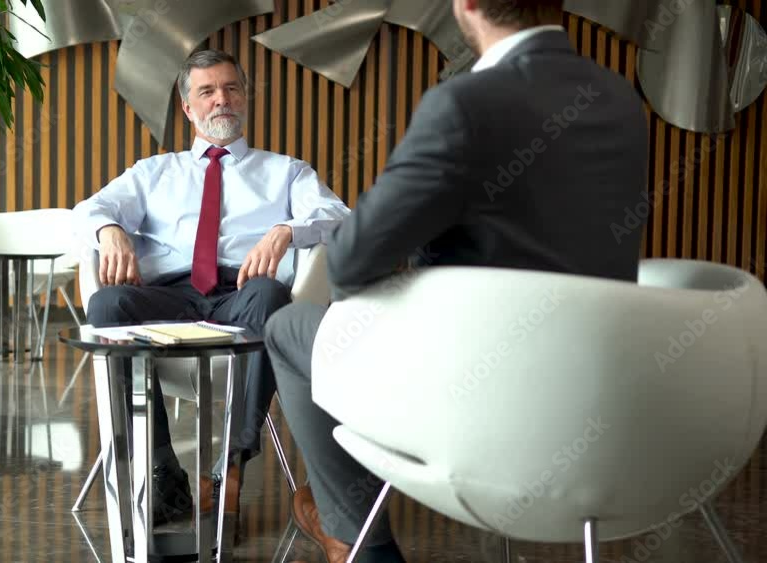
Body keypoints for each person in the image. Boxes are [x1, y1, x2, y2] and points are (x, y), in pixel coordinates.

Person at [264, 0, 650, 561]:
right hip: (606, 406)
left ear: (465, 4)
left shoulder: (467, 102)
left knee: (288, 325)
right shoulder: (618, 99)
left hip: (479, 399)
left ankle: (359, 542)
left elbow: (351, 259)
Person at [74, 49, 350, 524]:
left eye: (231, 88)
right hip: (171, 294)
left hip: (242, 294)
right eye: (207, 91)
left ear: (245, 99)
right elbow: (87, 209)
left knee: (270, 297)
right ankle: (162, 467)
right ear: (188, 108)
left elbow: (338, 217)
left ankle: (232, 466)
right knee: (107, 303)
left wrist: (287, 230)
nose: (221, 99)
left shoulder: (287, 172)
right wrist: (108, 229)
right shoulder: (154, 172)